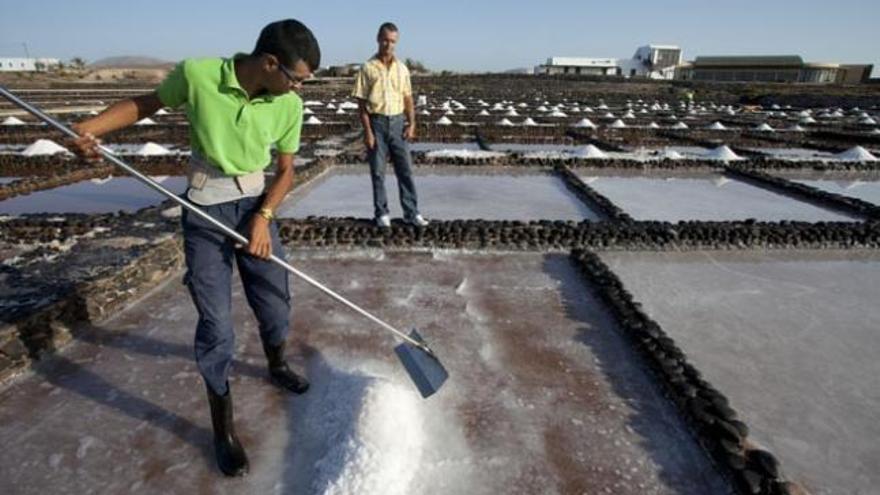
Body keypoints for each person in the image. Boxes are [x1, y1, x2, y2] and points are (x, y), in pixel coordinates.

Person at [69, 19, 320, 477]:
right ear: (270, 63)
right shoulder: (200, 74)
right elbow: (146, 104)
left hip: (254, 207)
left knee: (274, 299)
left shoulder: (288, 105)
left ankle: (277, 362)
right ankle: (223, 430)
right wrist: (92, 128)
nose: (298, 87)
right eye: (296, 77)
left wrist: (264, 217)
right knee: (216, 324)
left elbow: (286, 171)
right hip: (206, 209)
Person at [352, 22, 428, 228]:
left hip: (397, 122)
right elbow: (360, 103)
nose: (388, 44)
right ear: (378, 39)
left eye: (393, 41)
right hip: (376, 122)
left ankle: (411, 213)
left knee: (405, 170)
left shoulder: (402, 69)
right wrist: (367, 132)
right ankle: (382, 213)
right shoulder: (367, 68)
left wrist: (411, 124)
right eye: (385, 40)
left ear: (397, 42)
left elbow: (408, 99)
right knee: (377, 172)